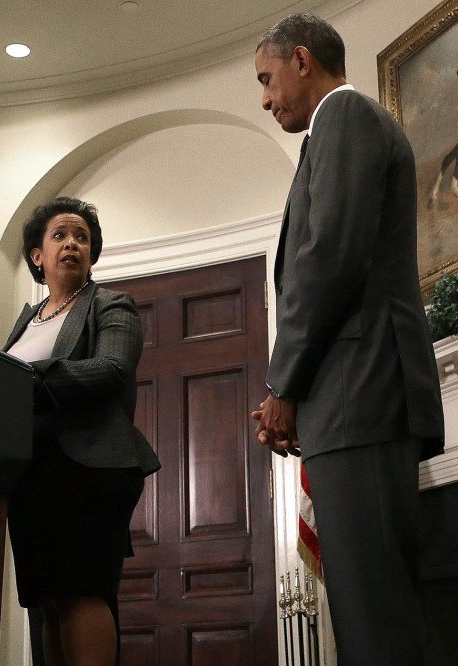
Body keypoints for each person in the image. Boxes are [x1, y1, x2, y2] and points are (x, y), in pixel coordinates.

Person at [251, 14, 445, 665]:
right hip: (350, 400)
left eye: (267, 79)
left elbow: (327, 258)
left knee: (376, 619)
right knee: (370, 614)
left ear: (301, 60)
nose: (265, 98)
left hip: (359, 396)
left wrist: (284, 385)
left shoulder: (346, 116)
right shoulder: (334, 130)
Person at [2, 197, 160, 666]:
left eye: (82, 238)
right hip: (31, 473)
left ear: (91, 254)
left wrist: (34, 378)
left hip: (88, 467)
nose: (72, 243)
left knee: (79, 592)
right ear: (37, 255)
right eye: (59, 235)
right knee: (47, 601)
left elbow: (112, 369)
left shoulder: (111, 305)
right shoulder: (26, 322)